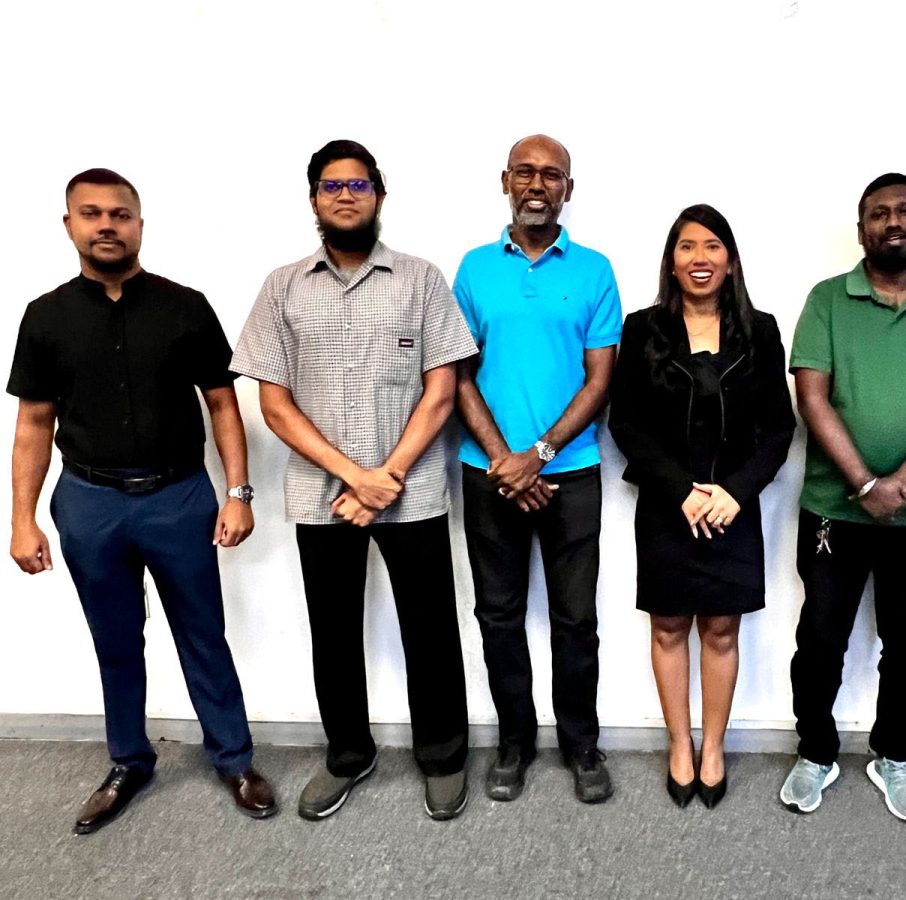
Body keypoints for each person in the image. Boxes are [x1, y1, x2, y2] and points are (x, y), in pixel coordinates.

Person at [7, 168, 277, 834]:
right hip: (89, 503)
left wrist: (238, 493)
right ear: (68, 224)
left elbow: (222, 403)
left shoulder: (185, 306)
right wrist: (21, 518)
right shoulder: (45, 317)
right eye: (92, 214)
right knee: (117, 641)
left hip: (178, 497)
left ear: (139, 225)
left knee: (202, 635)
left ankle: (234, 759)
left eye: (120, 214)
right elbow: (33, 424)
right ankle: (129, 760)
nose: (106, 225)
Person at [230, 140, 477, 821]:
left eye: (359, 184)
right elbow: (274, 404)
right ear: (314, 199)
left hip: (413, 489)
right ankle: (348, 754)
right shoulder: (283, 287)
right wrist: (355, 477)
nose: (346, 195)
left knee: (429, 629)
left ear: (379, 195)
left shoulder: (420, 280)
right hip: (322, 495)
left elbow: (443, 390)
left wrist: (387, 476)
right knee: (333, 631)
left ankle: (444, 756)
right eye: (332, 185)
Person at [780, 173, 906, 822]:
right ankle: (815, 750)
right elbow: (812, 396)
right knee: (820, 638)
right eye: (878, 213)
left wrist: (899, 484)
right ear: (861, 227)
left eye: (904, 211)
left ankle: (894, 754)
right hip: (833, 510)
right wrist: (865, 484)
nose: (891, 221)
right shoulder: (827, 301)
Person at [453, 134, 622, 803]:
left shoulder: (594, 270)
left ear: (568, 191)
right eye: (525, 171)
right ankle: (514, 744)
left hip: (571, 472)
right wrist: (504, 461)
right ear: (504, 181)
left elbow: (599, 379)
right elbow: (457, 374)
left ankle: (582, 745)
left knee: (575, 619)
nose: (537, 183)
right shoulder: (472, 269)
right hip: (486, 472)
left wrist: (539, 456)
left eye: (552, 175)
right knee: (498, 616)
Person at [608, 204, 794, 809]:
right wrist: (681, 490)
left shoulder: (760, 330)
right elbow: (627, 423)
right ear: (671, 260)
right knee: (668, 626)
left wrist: (733, 493)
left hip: (732, 508)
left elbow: (778, 429)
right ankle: (678, 744)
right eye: (686, 247)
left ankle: (712, 746)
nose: (699, 258)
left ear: (731, 260)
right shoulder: (642, 329)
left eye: (712, 246)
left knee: (720, 628)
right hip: (668, 505)